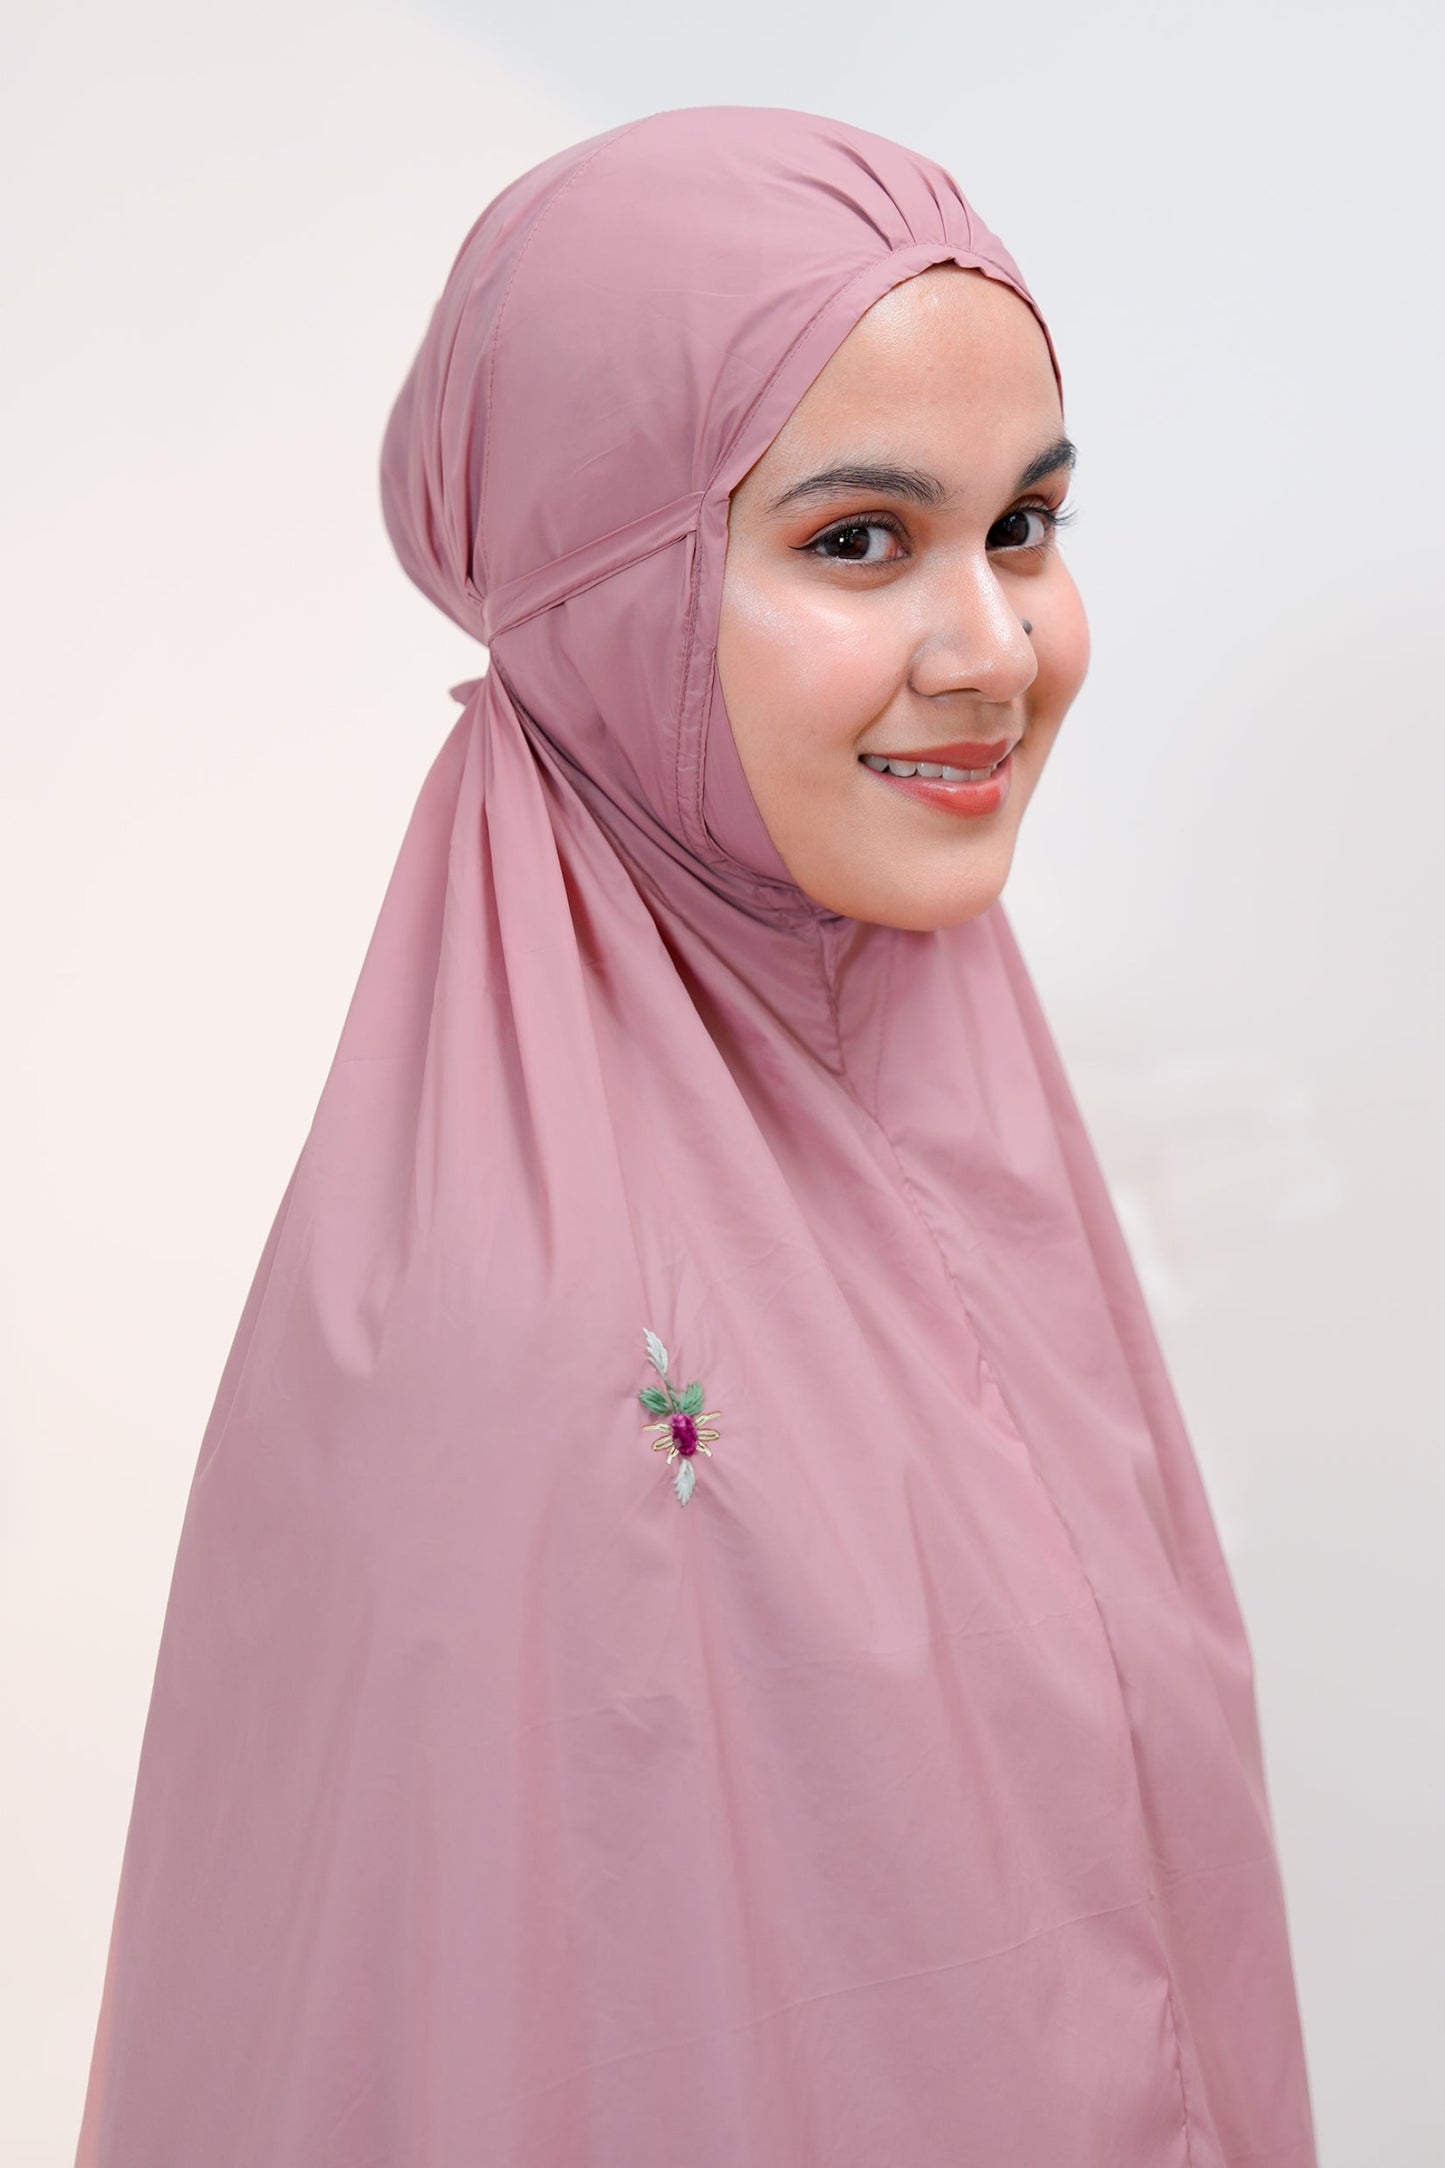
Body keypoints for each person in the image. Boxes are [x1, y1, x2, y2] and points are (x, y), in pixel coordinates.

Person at [75, 107, 1318, 2164]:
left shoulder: (978, 1124)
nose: (995, 650)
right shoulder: (503, 1342)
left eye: (1024, 525)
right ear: (601, 592)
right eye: (859, 541)